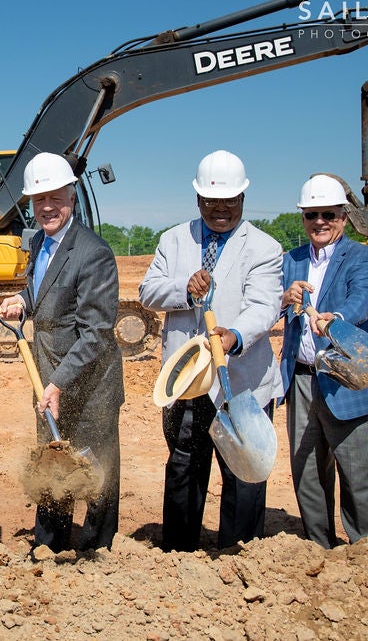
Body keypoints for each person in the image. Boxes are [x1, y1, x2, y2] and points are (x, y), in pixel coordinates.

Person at [139, 149, 283, 552]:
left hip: (242, 381)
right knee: (184, 466)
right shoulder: (173, 239)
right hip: (188, 381)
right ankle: (180, 554)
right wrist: (183, 288)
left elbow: (265, 305)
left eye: (229, 202)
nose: (219, 209)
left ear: (243, 199)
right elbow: (148, 291)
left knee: (244, 471)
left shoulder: (264, 248)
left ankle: (241, 553)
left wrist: (234, 335)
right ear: (198, 199)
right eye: (210, 202)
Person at [0, 152, 124, 552]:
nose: (47, 207)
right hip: (50, 374)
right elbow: (43, 292)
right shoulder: (39, 241)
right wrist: (21, 299)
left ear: (72, 196)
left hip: (89, 384)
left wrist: (58, 383)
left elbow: (96, 333)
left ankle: (96, 545)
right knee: (53, 460)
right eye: (38, 200)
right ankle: (50, 542)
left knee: (94, 465)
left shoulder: (94, 253)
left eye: (55, 197)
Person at [280, 174, 368, 548]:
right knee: (307, 475)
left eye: (328, 214)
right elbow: (270, 309)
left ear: (343, 217)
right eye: (311, 214)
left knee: (359, 475)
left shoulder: (363, 257)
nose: (319, 222)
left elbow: (364, 298)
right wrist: (284, 299)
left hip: (349, 379)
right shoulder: (291, 260)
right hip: (301, 380)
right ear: (303, 217)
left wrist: (337, 319)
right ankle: (320, 548)